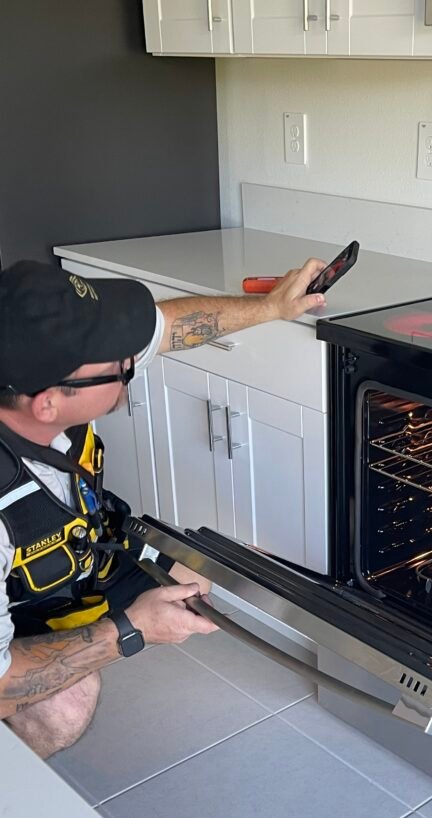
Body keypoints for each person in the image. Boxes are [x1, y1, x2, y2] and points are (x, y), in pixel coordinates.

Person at [0, 257, 326, 758]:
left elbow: (170, 326)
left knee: (196, 576)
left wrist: (271, 306)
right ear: (46, 404)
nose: (131, 362)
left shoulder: (30, 359)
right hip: (15, 612)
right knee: (62, 708)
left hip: (73, 561)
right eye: (118, 366)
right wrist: (131, 631)